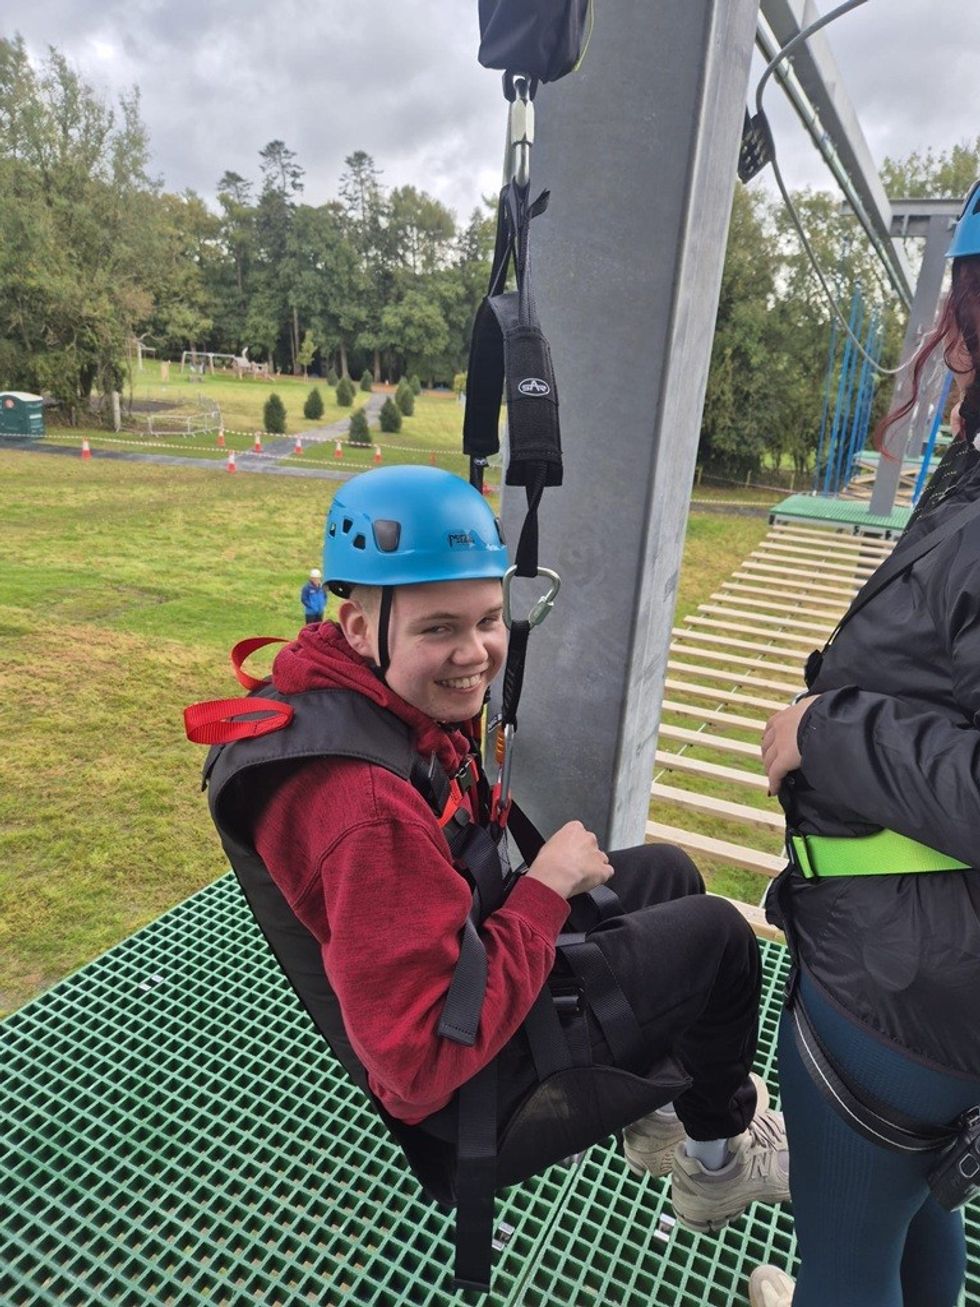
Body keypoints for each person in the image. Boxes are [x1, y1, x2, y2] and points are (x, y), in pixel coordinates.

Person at [200, 465, 789, 1279]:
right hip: (466, 1097)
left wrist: (534, 900)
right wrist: (543, 892)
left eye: (487, 619)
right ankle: (716, 1170)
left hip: (468, 966)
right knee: (722, 941)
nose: (473, 653)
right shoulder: (363, 810)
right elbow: (416, 1067)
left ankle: (657, 1114)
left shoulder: (356, 695)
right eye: (439, 628)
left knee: (667, 874)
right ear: (361, 626)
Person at [749, 184, 980, 1307]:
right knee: (912, 1206)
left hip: (897, 989)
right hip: (932, 985)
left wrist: (823, 732)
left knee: (843, 1268)